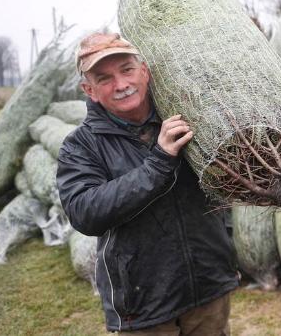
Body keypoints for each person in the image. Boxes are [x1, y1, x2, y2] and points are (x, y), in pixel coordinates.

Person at [56, 32, 239, 335]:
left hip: (209, 287)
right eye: (104, 78)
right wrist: (159, 160)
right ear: (89, 90)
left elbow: (223, 184)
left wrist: (225, 242)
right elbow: (84, 212)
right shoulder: (80, 146)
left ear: (145, 71)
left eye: (127, 70)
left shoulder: (189, 117)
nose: (121, 85)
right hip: (143, 301)